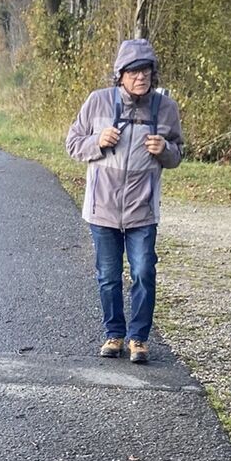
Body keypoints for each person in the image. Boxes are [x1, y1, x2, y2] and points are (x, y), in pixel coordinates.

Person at [65, 38, 183, 364]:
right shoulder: (98, 101)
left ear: (153, 73)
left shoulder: (166, 108)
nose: (140, 76)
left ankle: (139, 339)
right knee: (109, 275)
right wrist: (97, 141)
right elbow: (73, 144)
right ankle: (114, 334)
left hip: (142, 210)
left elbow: (177, 154)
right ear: (120, 74)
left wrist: (165, 150)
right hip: (102, 208)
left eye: (146, 70)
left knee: (143, 271)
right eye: (133, 71)